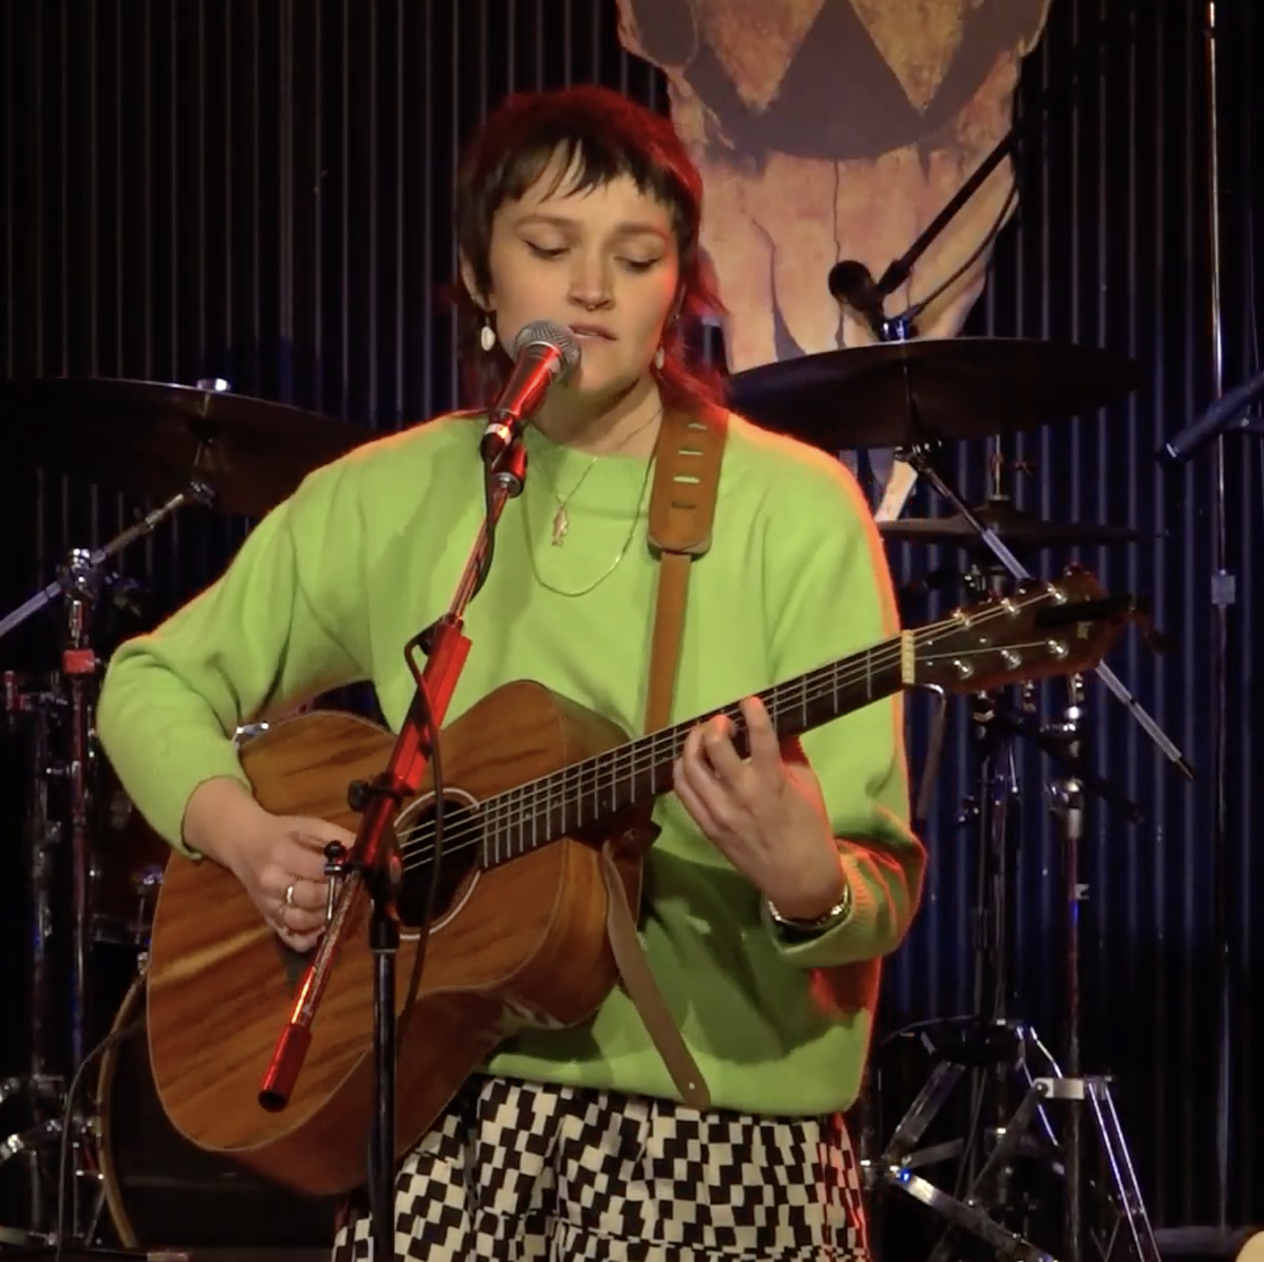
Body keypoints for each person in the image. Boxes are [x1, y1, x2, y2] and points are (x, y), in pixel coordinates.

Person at [96, 85, 923, 1261]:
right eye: (548, 246)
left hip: (724, 1155)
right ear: (479, 277)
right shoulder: (393, 492)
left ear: (677, 288)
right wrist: (241, 832)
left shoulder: (793, 507)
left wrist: (809, 883)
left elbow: (874, 878)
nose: (591, 288)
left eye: (635, 257)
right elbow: (150, 680)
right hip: (438, 1133)